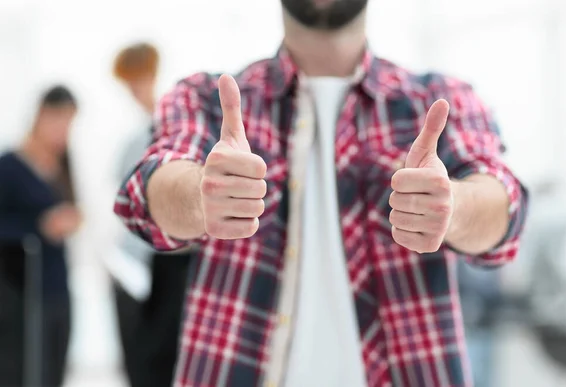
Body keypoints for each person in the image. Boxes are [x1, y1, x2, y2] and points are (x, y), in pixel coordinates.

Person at [114, 1, 529, 386]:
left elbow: (505, 209)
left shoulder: (441, 98)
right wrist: (199, 196)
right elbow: (147, 193)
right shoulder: (206, 99)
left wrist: (453, 208)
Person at [110, 42, 193, 387]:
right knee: (143, 359)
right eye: (129, 84)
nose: (135, 91)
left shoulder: (181, 128)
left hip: (177, 261)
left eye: (139, 80)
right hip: (141, 264)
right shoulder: (134, 139)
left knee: (168, 357)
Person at [0, 85, 82, 387]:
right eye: (59, 121)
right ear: (40, 116)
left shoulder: (61, 165)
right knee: (26, 373)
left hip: (57, 287)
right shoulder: (9, 166)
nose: (64, 131)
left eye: (70, 123)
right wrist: (39, 227)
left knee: (54, 372)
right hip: (22, 295)